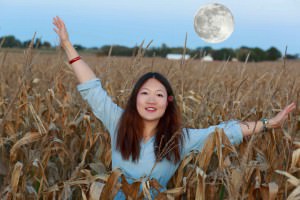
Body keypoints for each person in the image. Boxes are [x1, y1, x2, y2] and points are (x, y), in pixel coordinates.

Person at [52, 16, 296, 199]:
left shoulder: (179, 139)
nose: (151, 100)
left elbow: (225, 131)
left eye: (159, 94)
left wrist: (269, 123)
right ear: (135, 99)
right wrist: (67, 45)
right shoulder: (118, 122)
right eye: (144, 93)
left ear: (167, 102)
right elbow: (93, 90)